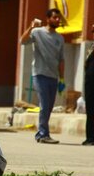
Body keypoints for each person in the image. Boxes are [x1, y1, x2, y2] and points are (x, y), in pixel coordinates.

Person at [20, 8, 65, 144]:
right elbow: (23, 41)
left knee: (49, 106)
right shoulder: (37, 32)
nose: (57, 20)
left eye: (58, 18)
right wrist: (31, 26)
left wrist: (62, 78)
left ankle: (42, 133)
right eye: (55, 18)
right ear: (48, 19)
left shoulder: (60, 38)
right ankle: (43, 133)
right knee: (44, 104)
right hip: (40, 74)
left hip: (53, 76)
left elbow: (61, 59)